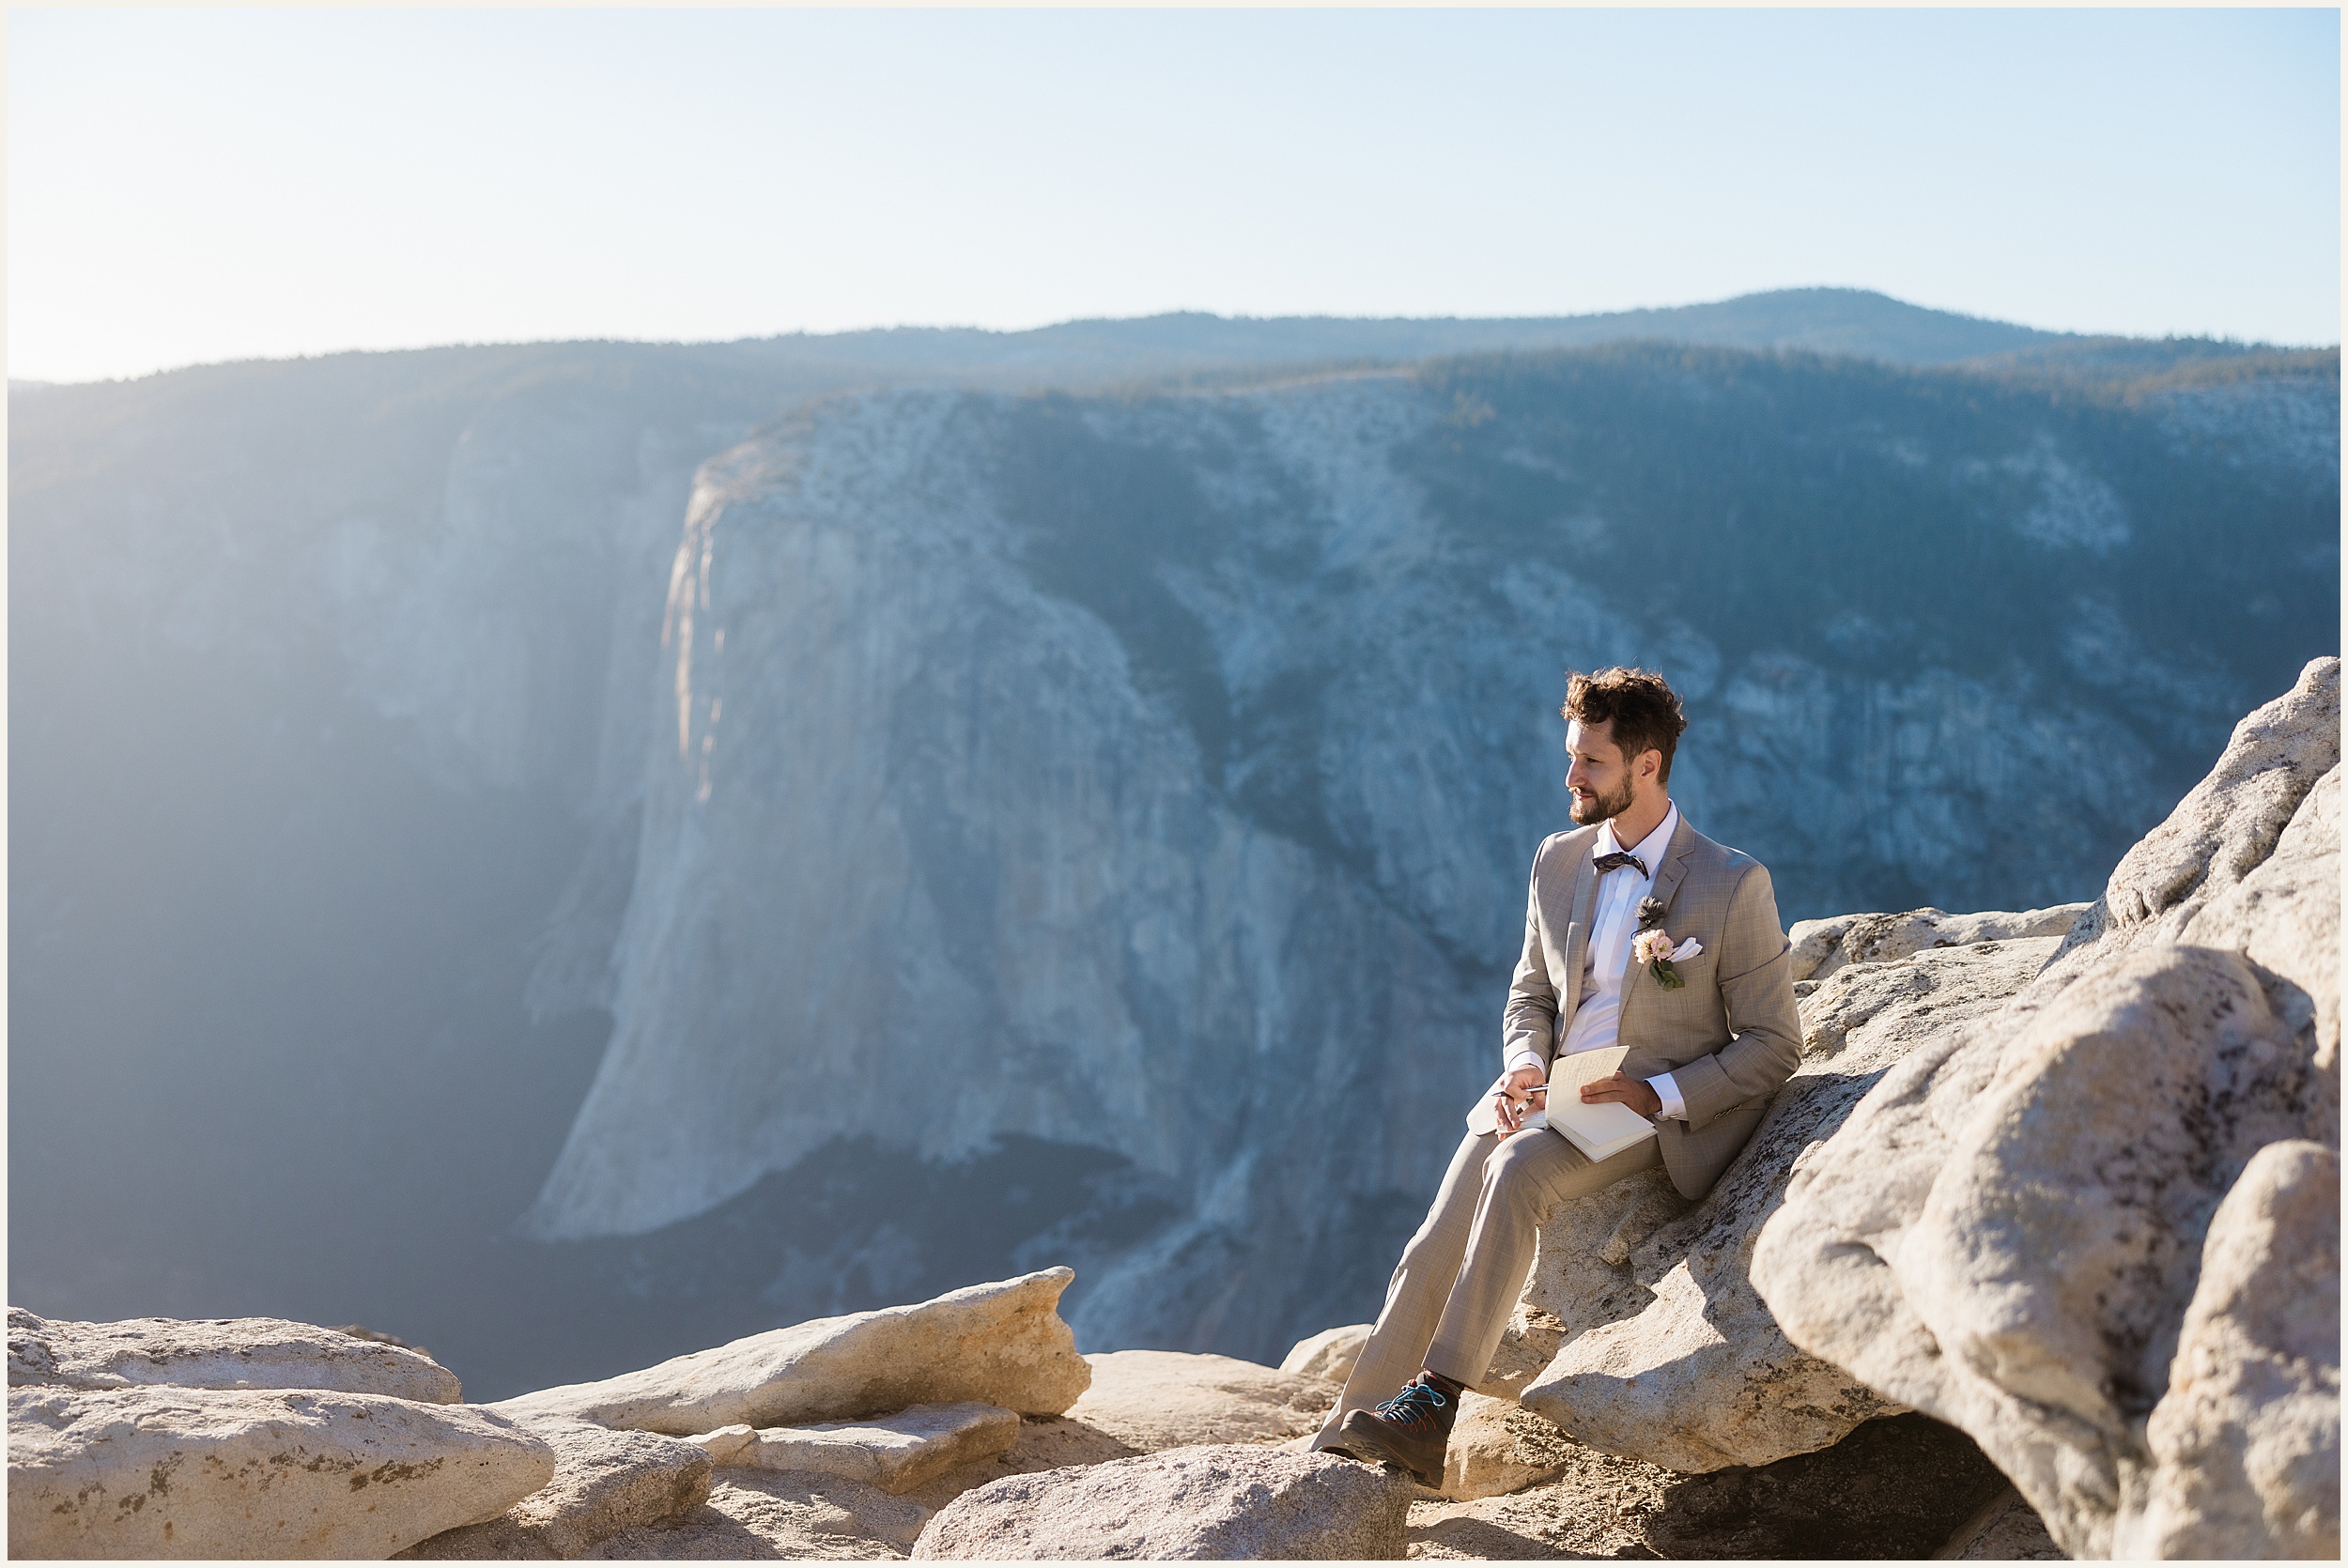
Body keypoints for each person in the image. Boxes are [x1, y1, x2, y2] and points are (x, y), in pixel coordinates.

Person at [1311, 666, 1801, 1486]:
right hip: (1553, 1092)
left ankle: (1433, 1404)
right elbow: (1530, 992)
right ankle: (1342, 1448)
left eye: (1591, 763)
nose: (1569, 776)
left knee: (1513, 1171)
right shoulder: (1557, 859)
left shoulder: (1730, 883)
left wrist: (1660, 1094)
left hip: (1652, 1110)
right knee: (1432, 1240)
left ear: (1647, 765)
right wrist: (1526, 1066)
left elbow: (1774, 1045)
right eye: (1570, 755)